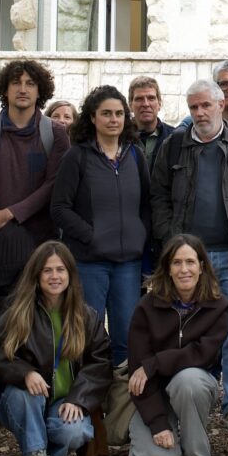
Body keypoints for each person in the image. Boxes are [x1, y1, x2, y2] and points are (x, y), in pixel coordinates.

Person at [150, 80, 228, 434]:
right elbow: (158, 195)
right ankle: (192, 400)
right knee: (187, 332)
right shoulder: (175, 145)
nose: (200, 113)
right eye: (194, 107)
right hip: (188, 263)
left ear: (222, 105)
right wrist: (171, 239)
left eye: (206, 105)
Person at [0, 241, 112, 456]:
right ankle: (35, 454)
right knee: (26, 395)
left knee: (76, 432)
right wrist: (25, 373)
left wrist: (78, 398)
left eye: (60, 269)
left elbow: (100, 362)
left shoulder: (85, 315)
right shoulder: (19, 312)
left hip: (64, 401)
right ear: (36, 275)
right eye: (47, 270)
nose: (54, 276)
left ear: (70, 274)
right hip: (25, 399)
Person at [51, 86, 151, 368]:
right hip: (89, 262)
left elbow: (147, 204)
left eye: (119, 113)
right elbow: (59, 208)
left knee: (126, 337)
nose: (113, 119)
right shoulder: (77, 157)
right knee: (87, 335)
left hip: (128, 264)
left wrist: (140, 236)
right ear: (93, 118)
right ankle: (89, 392)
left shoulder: (135, 155)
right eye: (106, 113)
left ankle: (121, 393)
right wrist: (91, 236)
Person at [0, 59, 70, 323]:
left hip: (40, 242)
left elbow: (53, 185)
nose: (22, 89)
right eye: (16, 83)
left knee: (38, 319)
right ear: (5, 89)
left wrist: (10, 214)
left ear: (40, 90)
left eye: (30, 83)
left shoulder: (56, 134)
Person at [127, 235, 228, 456]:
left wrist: (154, 363)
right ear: (168, 268)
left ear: (201, 267)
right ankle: (164, 434)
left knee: (188, 379)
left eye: (190, 262)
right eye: (177, 263)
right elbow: (137, 373)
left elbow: (202, 355)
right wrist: (158, 424)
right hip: (154, 391)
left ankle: (196, 455)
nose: (184, 269)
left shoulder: (219, 305)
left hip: (195, 387)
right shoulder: (147, 306)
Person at [128, 76, 177, 168]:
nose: (146, 104)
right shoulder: (120, 138)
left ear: (159, 104)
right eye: (139, 99)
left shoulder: (174, 138)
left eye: (151, 98)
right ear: (130, 105)